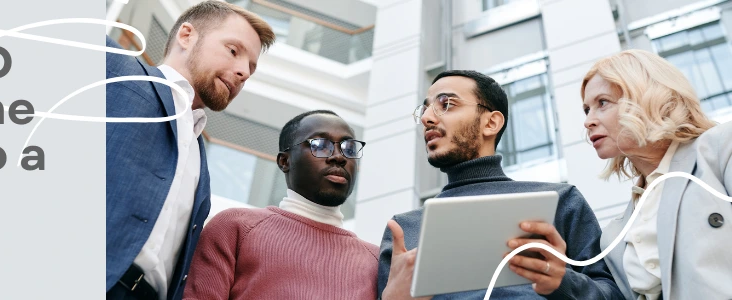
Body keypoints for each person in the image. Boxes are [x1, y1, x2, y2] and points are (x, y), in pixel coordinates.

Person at [378, 70, 624, 299]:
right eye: (425, 109)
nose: (427, 118)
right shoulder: (402, 230)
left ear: (491, 123)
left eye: (446, 104)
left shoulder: (561, 200)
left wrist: (563, 281)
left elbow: (614, 294)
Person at [105, 2, 274, 299]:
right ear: (186, 36)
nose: (242, 72)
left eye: (250, 68)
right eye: (234, 51)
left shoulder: (200, 162)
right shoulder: (115, 69)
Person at [574, 49, 732, 299]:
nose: (588, 121)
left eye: (602, 103)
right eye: (586, 110)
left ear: (645, 96)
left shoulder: (722, 149)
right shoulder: (615, 234)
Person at [183, 110, 379, 299]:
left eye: (349, 148)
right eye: (320, 145)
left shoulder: (378, 262)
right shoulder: (235, 227)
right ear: (285, 161)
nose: (339, 156)